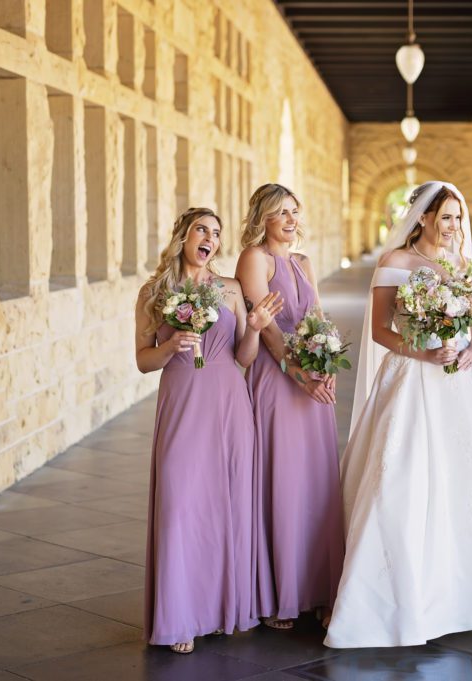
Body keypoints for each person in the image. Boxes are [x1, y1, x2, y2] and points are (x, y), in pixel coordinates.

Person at [324, 180, 472, 648]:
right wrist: (421, 352)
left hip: (459, 383)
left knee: (466, 479)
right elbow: (379, 331)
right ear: (423, 218)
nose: (453, 227)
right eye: (446, 217)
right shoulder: (396, 264)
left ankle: (466, 593)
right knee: (403, 478)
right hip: (412, 377)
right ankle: (395, 598)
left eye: (457, 218)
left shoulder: (462, 264)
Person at [137, 207, 283, 654]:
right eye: (203, 229)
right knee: (181, 504)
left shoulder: (230, 288)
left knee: (224, 507)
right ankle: (179, 615)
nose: (211, 239)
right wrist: (169, 346)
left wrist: (256, 328)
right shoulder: (154, 292)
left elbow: (243, 356)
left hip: (227, 400)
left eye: (217, 233)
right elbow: (143, 360)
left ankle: (219, 611)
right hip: (182, 398)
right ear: (183, 234)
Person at [236, 184, 345, 630]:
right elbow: (268, 329)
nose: (291, 219)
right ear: (263, 217)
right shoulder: (254, 259)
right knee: (281, 480)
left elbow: (317, 319)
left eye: (295, 211)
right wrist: (293, 370)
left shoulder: (303, 262)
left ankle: (320, 589)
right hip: (276, 379)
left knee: (316, 484)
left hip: (312, 379)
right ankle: (279, 593)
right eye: (282, 212)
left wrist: (330, 363)